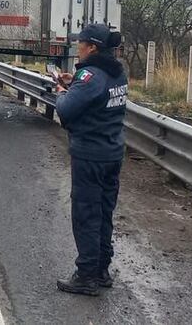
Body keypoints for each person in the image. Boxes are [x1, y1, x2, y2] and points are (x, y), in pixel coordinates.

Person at [53, 23, 129, 296]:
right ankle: (101, 270)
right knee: (104, 212)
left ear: (92, 47)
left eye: (81, 44)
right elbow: (97, 93)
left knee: (86, 215)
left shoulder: (90, 76)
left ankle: (86, 275)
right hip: (112, 154)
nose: (78, 48)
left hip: (90, 156)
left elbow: (66, 111)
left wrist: (62, 92)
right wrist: (75, 84)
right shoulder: (117, 73)